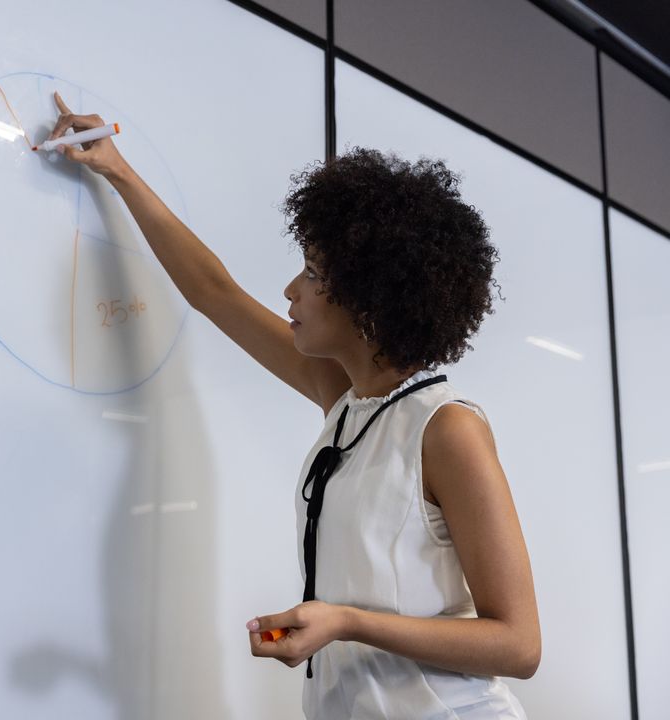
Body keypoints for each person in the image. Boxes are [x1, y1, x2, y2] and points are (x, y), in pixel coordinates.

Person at [45, 91, 540, 718]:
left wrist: (348, 623)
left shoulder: (448, 429)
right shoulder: (345, 401)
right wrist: (117, 170)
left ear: (367, 298)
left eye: (311, 272)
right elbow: (212, 291)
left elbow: (519, 644)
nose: (291, 289)